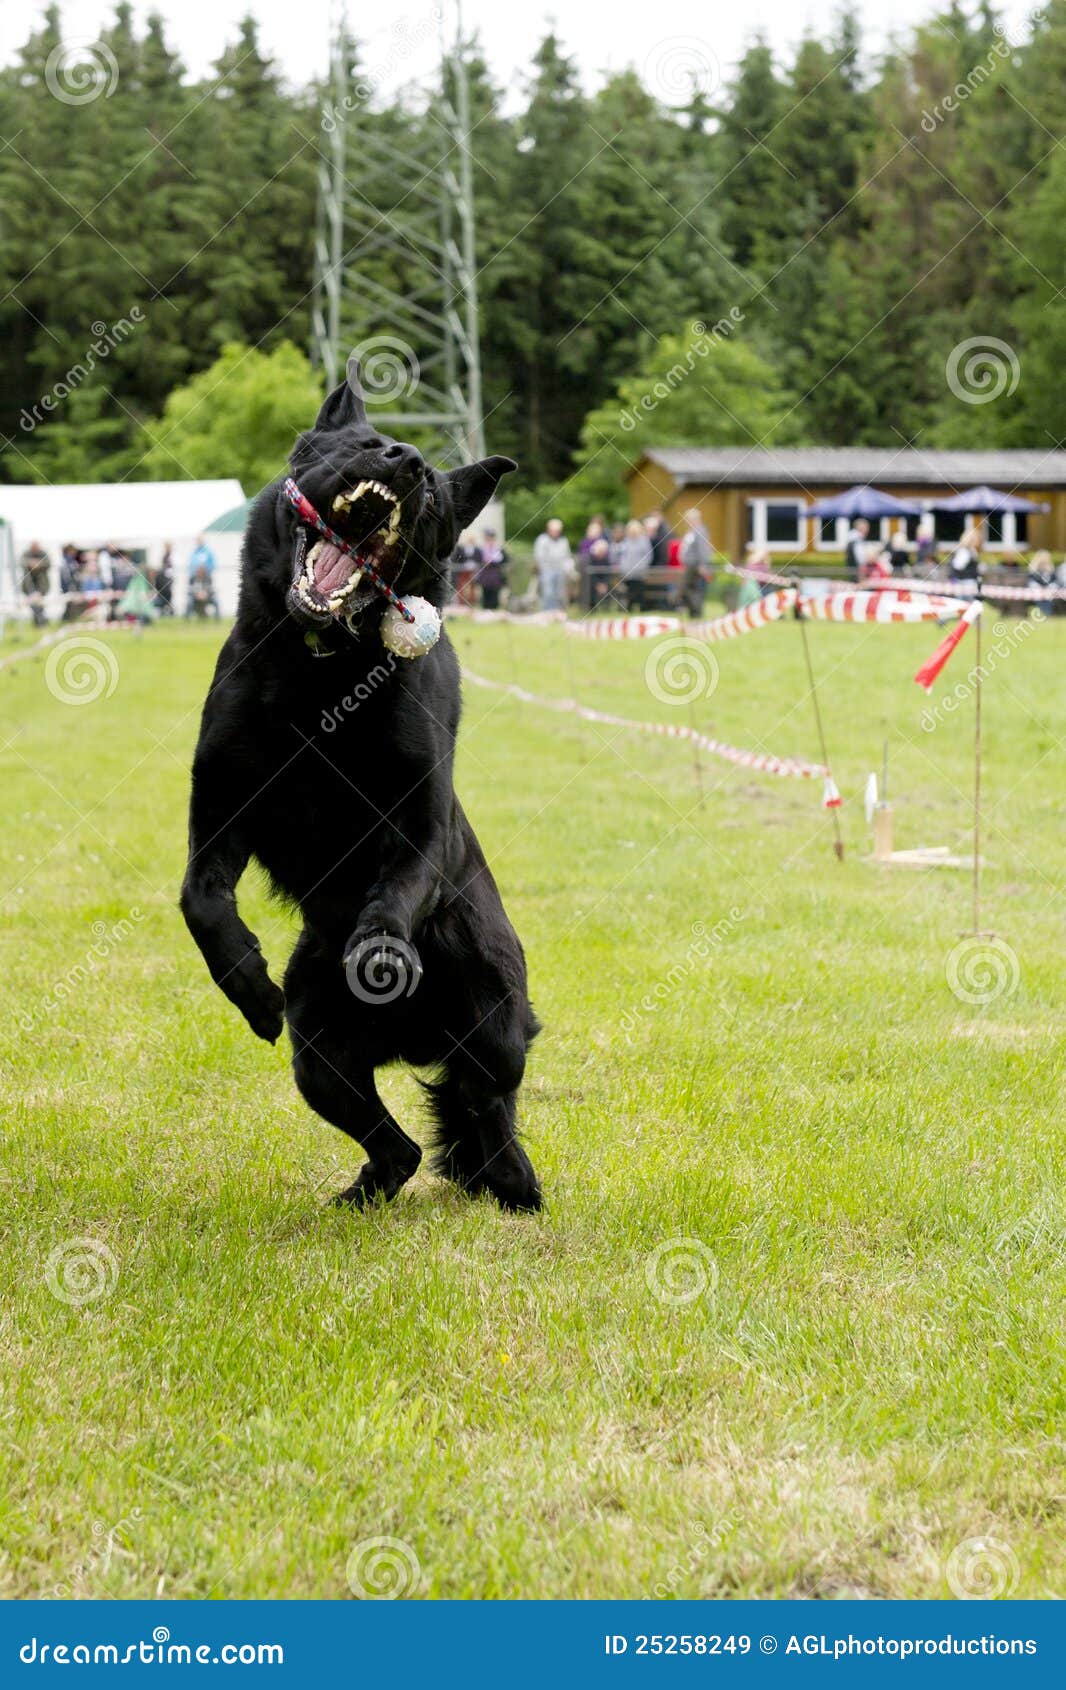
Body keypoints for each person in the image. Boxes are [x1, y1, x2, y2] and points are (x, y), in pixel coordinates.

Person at [678, 507, 713, 618]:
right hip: (690, 566)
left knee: (691, 589)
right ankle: (693, 612)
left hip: (696, 566)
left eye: (687, 520)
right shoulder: (692, 531)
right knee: (689, 589)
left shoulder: (700, 530)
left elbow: (703, 549)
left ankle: (696, 612)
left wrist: (703, 565)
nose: (685, 522)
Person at [533, 518, 573, 612]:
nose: (556, 532)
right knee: (548, 592)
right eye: (554, 530)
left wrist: (568, 568)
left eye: (557, 531)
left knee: (559, 593)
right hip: (546, 570)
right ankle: (547, 612)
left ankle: (556, 612)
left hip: (560, 571)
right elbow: (539, 556)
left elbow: (567, 556)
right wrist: (543, 568)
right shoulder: (542, 540)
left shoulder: (563, 541)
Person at [617, 518, 652, 613]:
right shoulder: (626, 541)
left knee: (639, 591)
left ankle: (642, 608)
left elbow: (648, 556)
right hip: (628, 573)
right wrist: (624, 568)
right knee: (629, 592)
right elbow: (623, 556)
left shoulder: (644, 541)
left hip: (640, 573)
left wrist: (640, 567)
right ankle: (629, 608)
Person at [19, 539, 51, 628]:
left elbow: (48, 563)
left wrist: (39, 564)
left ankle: (40, 621)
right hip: (29, 585)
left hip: (42, 585)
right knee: (33, 604)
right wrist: (30, 563)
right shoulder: (26, 553)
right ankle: (41, 621)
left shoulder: (43, 553)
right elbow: (22, 562)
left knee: (39, 603)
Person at [475, 529, 508, 611]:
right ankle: (486, 608)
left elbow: (505, 559)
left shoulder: (498, 548)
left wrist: (494, 563)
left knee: (495, 591)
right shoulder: (482, 549)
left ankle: (494, 608)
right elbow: (478, 559)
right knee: (485, 590)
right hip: (485, 573)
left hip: (495, 573)